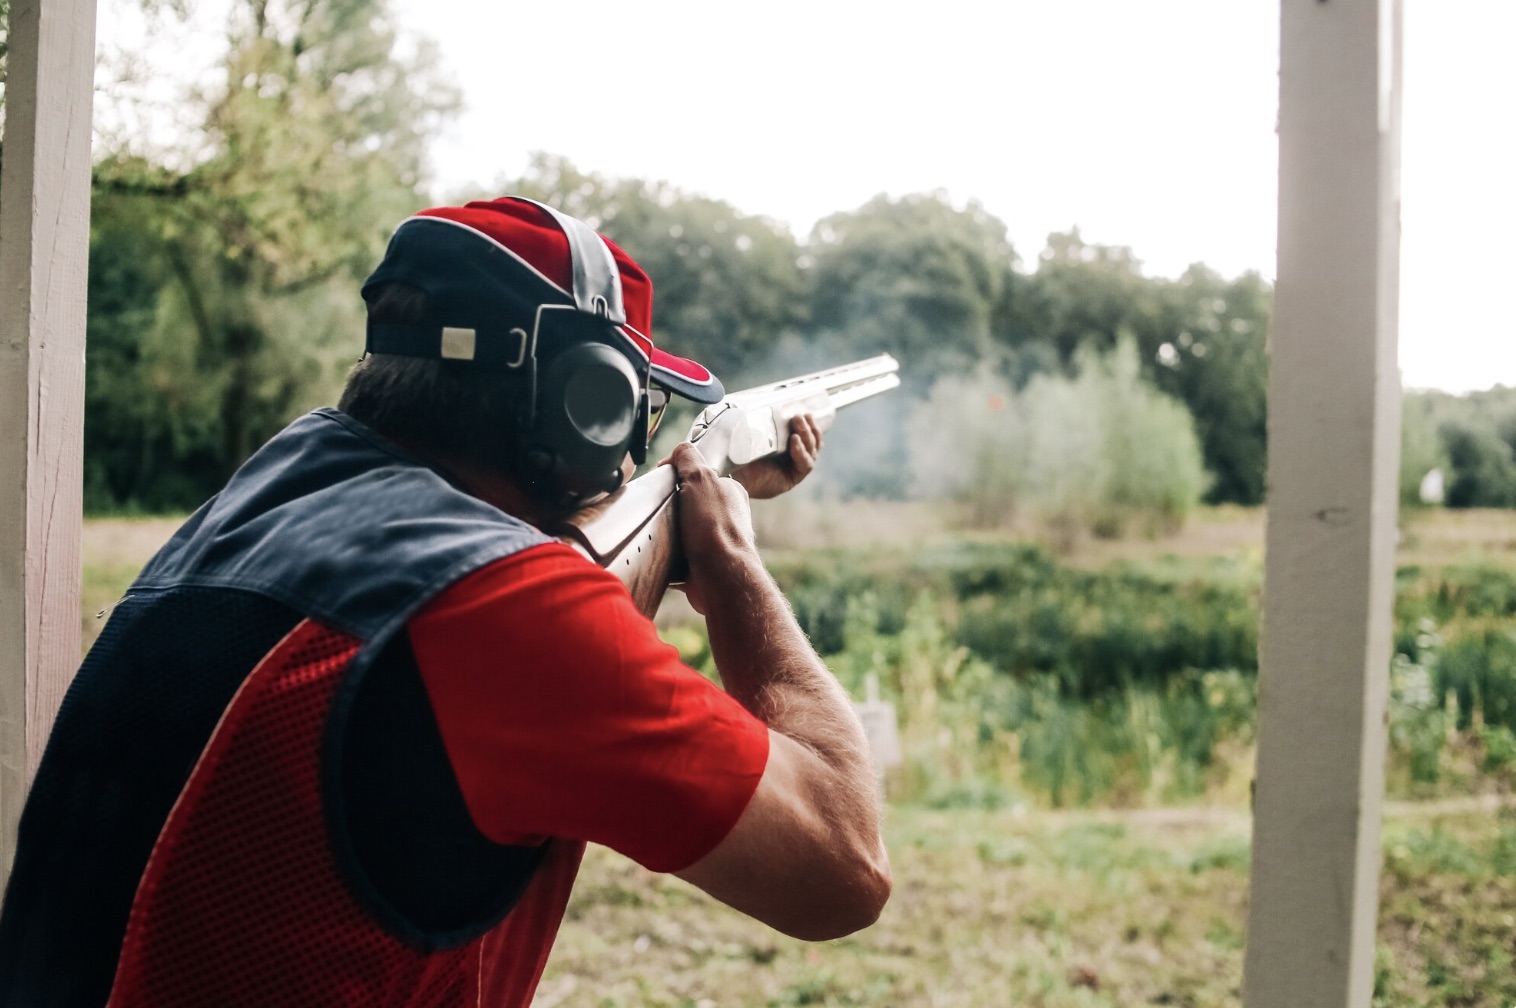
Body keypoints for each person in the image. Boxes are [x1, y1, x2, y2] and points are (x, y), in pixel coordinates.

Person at [0, 197, 891, 1006]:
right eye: (635, 409)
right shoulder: (502, 605)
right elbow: (842, 868)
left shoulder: (243, 517)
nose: (630, 455)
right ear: (586, 407)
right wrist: (729, 557)